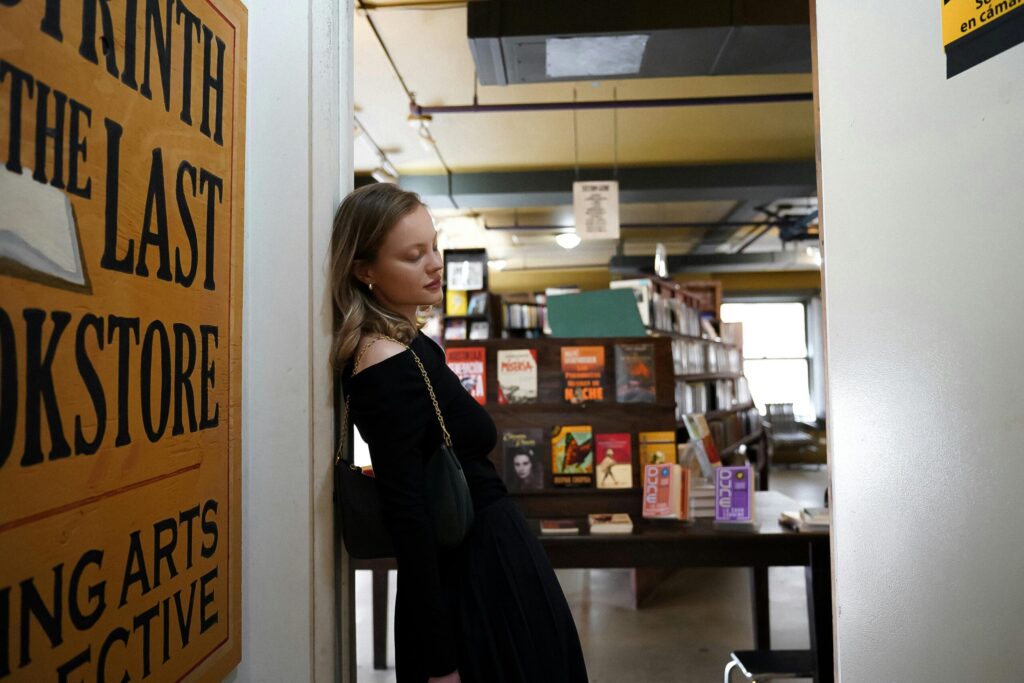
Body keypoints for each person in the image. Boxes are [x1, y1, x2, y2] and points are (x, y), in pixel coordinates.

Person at [330, 183, 589, 683]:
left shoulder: (409, 345)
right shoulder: (384, 363)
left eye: (433, 246)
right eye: (412, 255)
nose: (435, 264)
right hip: (469, 578)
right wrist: (440, 659)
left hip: (486, 560)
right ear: (365, 271)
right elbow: (410, 518)